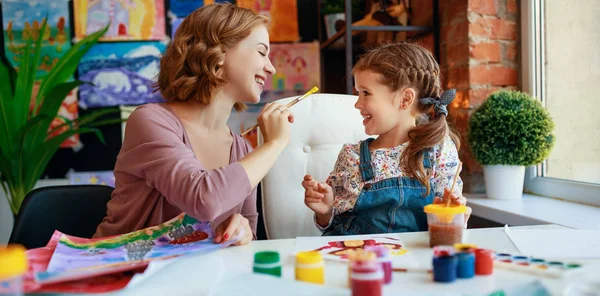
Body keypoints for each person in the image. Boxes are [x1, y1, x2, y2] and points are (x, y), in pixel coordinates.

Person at [94, 3, 293, 245]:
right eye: (261, 52)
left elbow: (248, 234)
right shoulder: (150, 121)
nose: (270, 67)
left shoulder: (241, 149)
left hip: (188, 276)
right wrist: (275, 144)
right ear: (217, 53)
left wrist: (241, 232)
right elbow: (203, 199)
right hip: (119, 273)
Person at [302, 42, 471, 236]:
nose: (357, 103)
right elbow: (333, 226)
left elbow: (449, 227)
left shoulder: (438, 151)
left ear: (405, 99)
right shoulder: (352, 156)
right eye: (358, 93)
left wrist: (455, 213)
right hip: (359, 259)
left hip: (414, 259)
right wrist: (326, 211)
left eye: (366, 93)